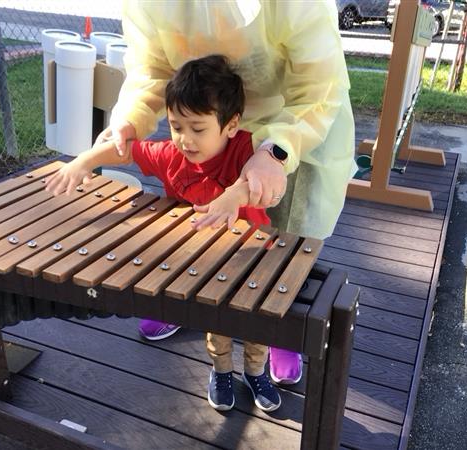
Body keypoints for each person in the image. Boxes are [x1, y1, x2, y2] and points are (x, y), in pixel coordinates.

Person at [98, 0, 357, 385]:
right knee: (203, 220)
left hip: (295, 121)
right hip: (207, 121)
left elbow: (318, 89)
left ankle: (279, 322)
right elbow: (151, 70)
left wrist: (276, 150)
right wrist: (129, 119)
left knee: (284, 237)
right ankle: (187, 299)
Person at [45, 54, 282, 412]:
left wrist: (235, 196)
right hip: (208, 260)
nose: (185, 139)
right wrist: (84, 161)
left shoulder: (245, 150)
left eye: (198, 129)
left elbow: (265, 179)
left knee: (256, 323)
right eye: (176, 126)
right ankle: (221, 370)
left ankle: (256, 371)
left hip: (254, 255)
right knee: (217, 320)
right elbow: (127, 151)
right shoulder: (172, 156)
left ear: (231, 125)